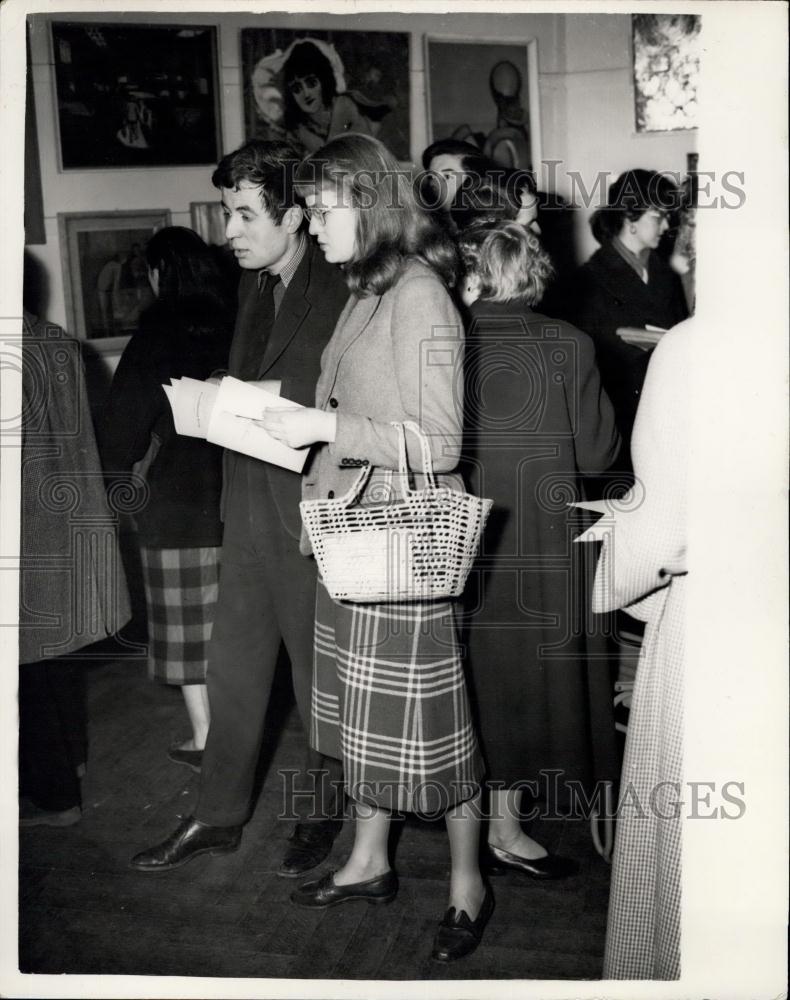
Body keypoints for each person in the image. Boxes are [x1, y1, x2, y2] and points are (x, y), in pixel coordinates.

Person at [261, 134, 491, 963]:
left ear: (371, 204)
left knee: (436, 726)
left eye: (324, 210)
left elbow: (441, 443)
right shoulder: (368, 289)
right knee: (366, 723)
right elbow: (348, 407)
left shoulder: (422, 295)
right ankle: (367, 861)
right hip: (355, 538)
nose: (313, 226)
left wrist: (326, 427)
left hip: (403, 542)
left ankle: (468, 884)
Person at [130, 140, 349, 878]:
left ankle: (322, 814)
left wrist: (250, 399)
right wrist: (219, 389)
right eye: (227, 213)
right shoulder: (250, 286)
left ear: (294, 215)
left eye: (245, 214)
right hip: (248, 506)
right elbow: (263, 376)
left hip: (310, 511)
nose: (229, 230)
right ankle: (217, 814)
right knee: (232, 670)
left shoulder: (345, 285)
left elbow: (349, 399)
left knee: (320, 680)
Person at [455, 221, 621, 872]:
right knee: (533, 682)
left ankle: (468, 832)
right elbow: (599, 452)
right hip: (546, 544)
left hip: (465, 537)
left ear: (469, 276)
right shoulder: (569, 342)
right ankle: (508, 826)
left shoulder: (444, 344)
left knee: (476, 678)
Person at [576, 319, 691, 979]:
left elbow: (662, 532)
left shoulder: (693, 348)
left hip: (709, 613)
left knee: (674, 839)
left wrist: (619, 538)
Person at [98, 227, 234, 767]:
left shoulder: (154, 338)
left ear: (159, 273)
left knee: (187, 630)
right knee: (236, 625)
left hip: (177, 506)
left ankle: (207, 737)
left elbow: (119, 434)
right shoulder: (235, 328)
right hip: (242, 498)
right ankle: (240, 730)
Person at [19, 293, 132, 826]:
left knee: (25, 672)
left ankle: (53, 797)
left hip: (19, 533)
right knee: (56, 659)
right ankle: (73, 765)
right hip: (62, 526)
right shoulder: (56, 341)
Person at [566, 169, 689, 446]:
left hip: (669, 410)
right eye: (658, 217)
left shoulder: (666, 275)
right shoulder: (589, 280)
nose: (667, 226)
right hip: (623, 421)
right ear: (629, 218)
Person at [282, 39, 391, 155]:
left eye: (311, 83)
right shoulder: (299, 125)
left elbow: (331, 156)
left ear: (324, 81)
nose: (306, 93)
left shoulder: (343, 105)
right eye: (296, 89)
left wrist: (303, 135)